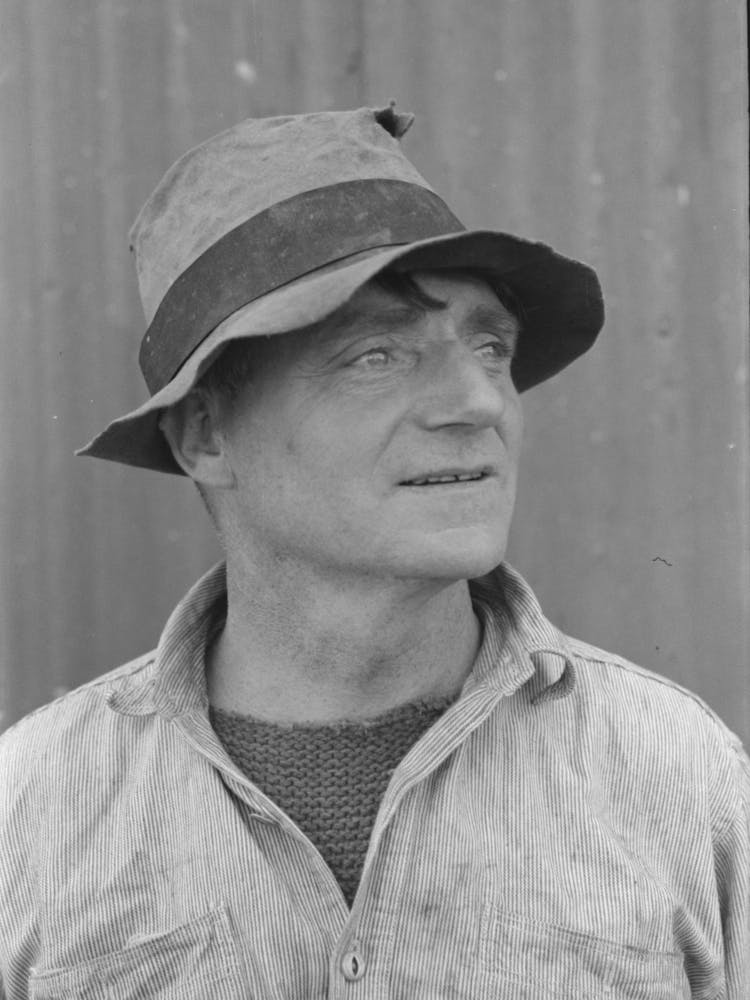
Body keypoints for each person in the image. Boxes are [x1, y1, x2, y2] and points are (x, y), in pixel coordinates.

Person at [0, 105, 747, 999]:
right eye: (376, 355)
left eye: (490, 345)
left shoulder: (680, 776)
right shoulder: (30, 809)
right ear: (205, 434)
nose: (479, 401)